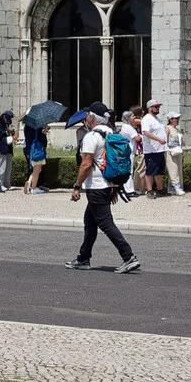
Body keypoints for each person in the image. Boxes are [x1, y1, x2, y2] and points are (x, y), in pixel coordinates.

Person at [67, 102, 138, 273]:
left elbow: (86, 164)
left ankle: (128, 256)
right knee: (90, 222)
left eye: (88, 115)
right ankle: (83, 258)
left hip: (97, 186)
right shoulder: (111, 133)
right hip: (109, 183)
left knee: (106, 223)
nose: (86, 118)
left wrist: (77, 186)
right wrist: (115, 186)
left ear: (92, 117)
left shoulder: (91, 136)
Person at [140, 100, 168, 196]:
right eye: (156, 107)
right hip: (151, 149)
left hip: (160, 149)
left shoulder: (158, 119)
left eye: (158, 107)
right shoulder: (146, 119)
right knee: (151, 170)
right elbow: (146, 132)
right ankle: (149, 190)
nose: (158, 108)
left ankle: (160, 189)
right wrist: (159, 139)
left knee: (159, 170)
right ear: (150, 108)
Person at [23, 118, 48, 194]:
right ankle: (34, 188)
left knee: (36, 169)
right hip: (37, 150)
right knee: (37, 169)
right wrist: (44, 131)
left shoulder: (27, 127)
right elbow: (41, 139)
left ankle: (29, 182)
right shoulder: (37, 128)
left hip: (30, 149)